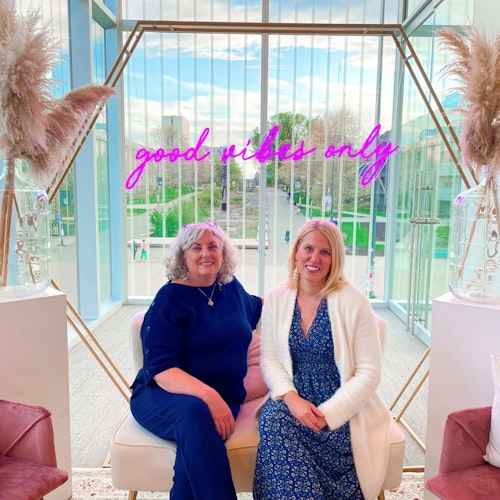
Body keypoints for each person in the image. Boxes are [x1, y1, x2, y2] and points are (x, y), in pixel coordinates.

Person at [253, 219, 391, 500]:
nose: (314, 258)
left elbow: (369, 373)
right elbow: (270, 360)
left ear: (334, 258)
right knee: (273, 421)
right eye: (308, 249)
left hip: (342, 411)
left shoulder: (354, 300)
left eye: (324, 252)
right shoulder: (277, 298)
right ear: (296, 252)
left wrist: (327, 414)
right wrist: (292, 399)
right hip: (294, 402)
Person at [130, 221, 262, 500]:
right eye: (196, 248)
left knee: (194, 452)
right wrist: (211, 397)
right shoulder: (169, 299)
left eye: (213, 246)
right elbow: (162, 369)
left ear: (223, 253)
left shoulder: (230, 288)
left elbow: (257, 307)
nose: (206, 254)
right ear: (183, 256)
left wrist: (304, 297)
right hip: (162, 395)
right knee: (195, 413)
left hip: (223, 398)